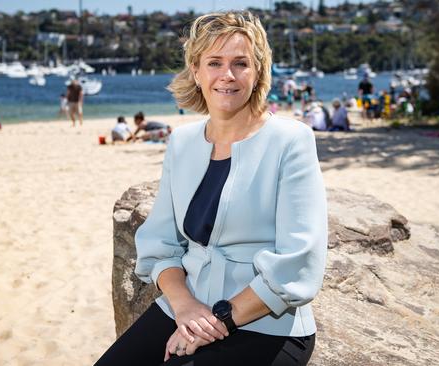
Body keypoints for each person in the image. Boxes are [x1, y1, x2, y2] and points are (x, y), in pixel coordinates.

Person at [96, 11, 327, 366]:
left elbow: (298, 262)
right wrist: (185, 306)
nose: (227, 75)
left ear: (258, 71)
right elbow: (161, 245)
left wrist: (213, 321)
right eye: (214, 62)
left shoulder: (291, 140)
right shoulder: (182, 141)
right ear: (196, 70)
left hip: (266, 321)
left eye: (240, 63)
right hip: (186, 306)